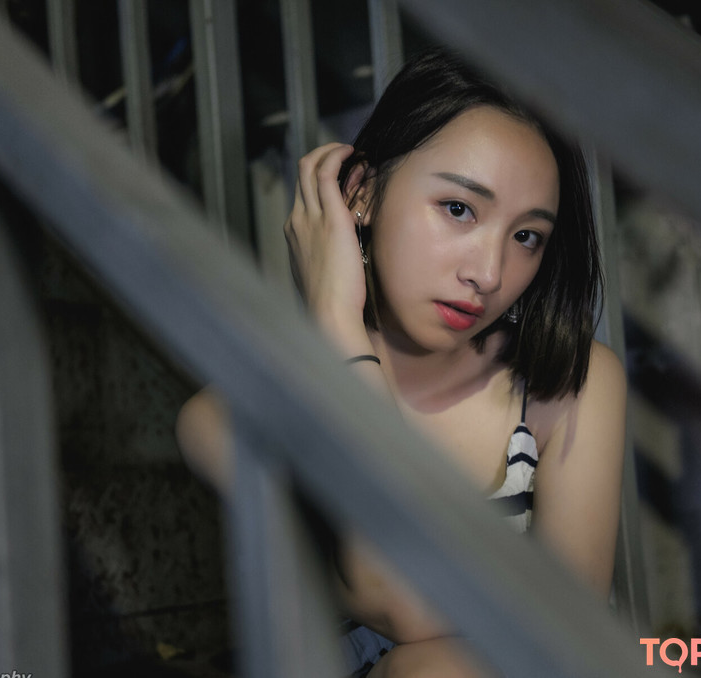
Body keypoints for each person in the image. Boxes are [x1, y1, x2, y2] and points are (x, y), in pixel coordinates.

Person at [176, 48, 626, 678]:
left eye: (527, 236)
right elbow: (398, 594)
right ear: (361, 192)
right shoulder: (234, 414)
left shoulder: (573, 383)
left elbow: (570, 636)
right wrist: (337, 322)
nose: (489, 273)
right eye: (459, 208)